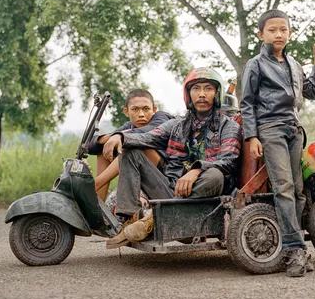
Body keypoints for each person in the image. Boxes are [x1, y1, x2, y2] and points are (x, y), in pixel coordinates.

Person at [104, 67, 242, 249]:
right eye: (196, 89)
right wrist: (120, 136)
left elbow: (229, 160)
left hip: (205, 194)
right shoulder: (177, 124)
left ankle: (151, 220)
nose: (202, 94)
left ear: (217, 93)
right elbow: (148, 137)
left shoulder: (228, 126)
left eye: (208, 88)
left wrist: (196, 170)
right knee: (131, 150)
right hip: (170, 190)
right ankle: (131, 219)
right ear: (188, 94)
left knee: (215, 175)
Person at [240, 8, 315, 277]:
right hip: (271, 129)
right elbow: (247, 103)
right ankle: (294, 249)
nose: (278, 34)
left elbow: (311, 92)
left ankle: (296, 246)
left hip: (295, 130)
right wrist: (253, 136)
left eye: (283, 30)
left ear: (290, 33)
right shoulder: (255, 65)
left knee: (299, 190)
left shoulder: (293, 64)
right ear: (261, 34)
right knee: (284, 188)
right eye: (272, 30)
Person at [87, 88, 172, 201]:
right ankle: (97, 206)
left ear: (154, 110)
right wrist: (111, 137)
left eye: (146, 109)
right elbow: (90, 146)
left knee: (133, 144)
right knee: (105, 150)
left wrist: (119, 136)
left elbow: (144, 134)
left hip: (165, 179)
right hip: (141, 176)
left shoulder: (162, 118)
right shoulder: (129, 126)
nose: (141, 114)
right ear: (126, 112)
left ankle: (94, 185)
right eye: (135, 109)